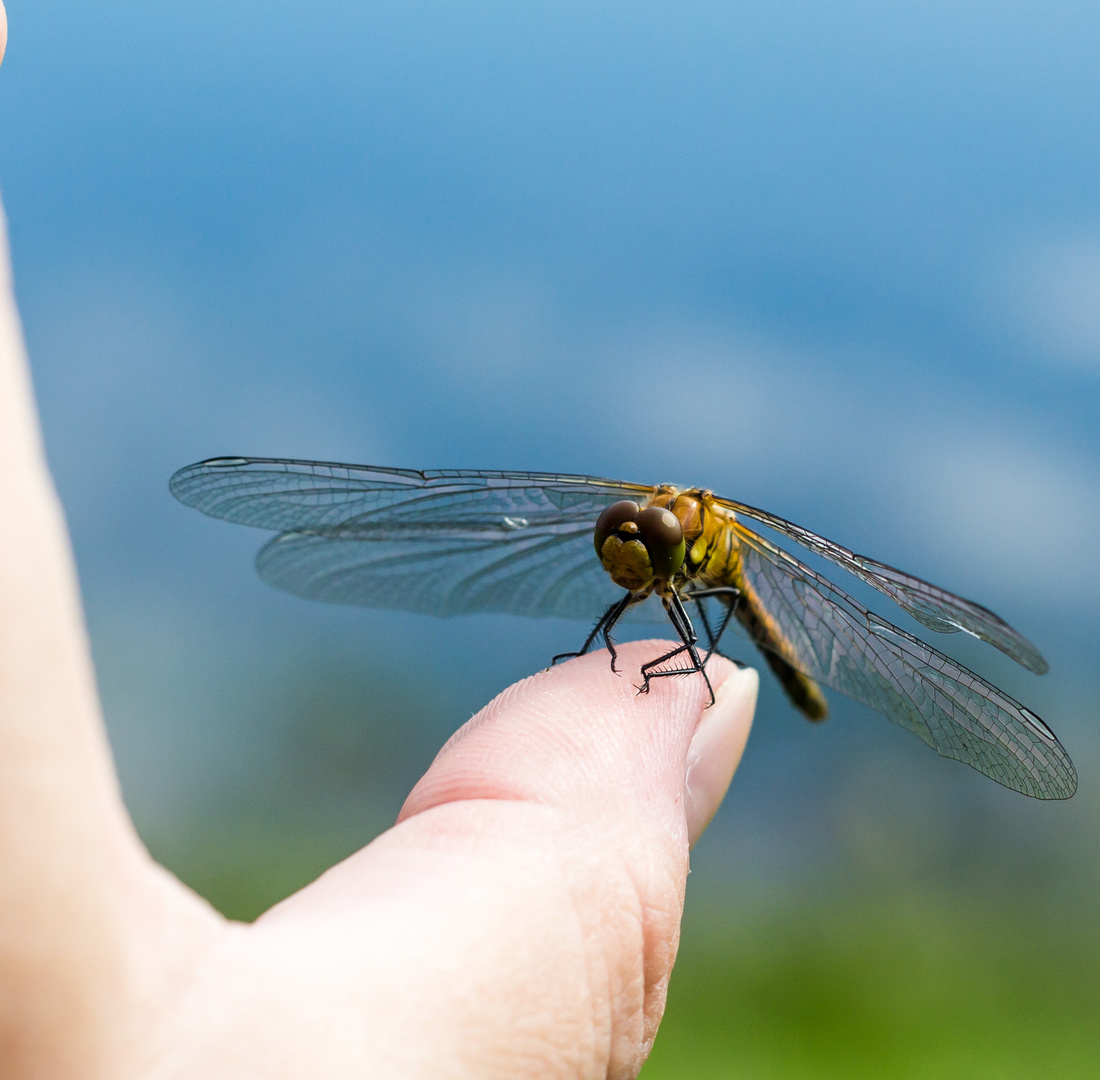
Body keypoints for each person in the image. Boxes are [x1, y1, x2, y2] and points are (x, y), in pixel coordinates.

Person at [0, 11, 759, 1073]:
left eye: (643, 541)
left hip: (732, 594)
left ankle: (716, 681)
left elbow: (694, 597)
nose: (628, 554)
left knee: (707, 639)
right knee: (648, 650)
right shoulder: (642, 534)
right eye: (623, 539)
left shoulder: (709, 551)